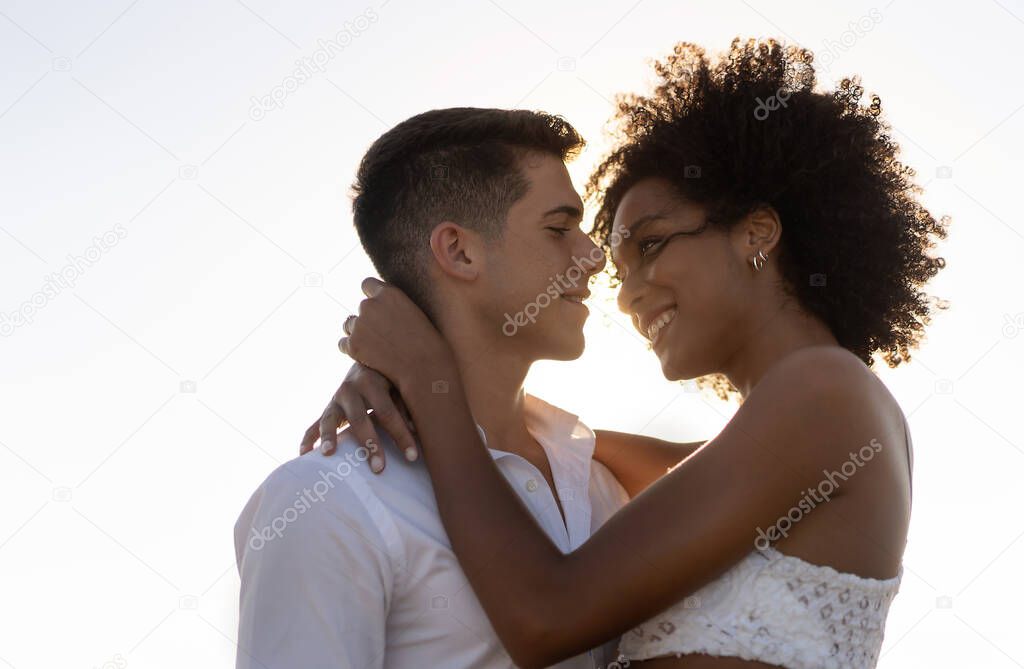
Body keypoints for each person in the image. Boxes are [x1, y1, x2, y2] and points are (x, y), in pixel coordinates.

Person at [318, 39, 948, 668]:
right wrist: (408, 370)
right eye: (620, 268)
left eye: (648, 245)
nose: (627, 296)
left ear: (756, 233)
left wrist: (428, 377)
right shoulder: (776, 436)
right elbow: (556, 445)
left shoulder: (823, 392)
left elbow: (544, 617)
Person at [234, 106, 706, 668]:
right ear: (458, 251)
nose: (593, 256)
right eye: (559, 229)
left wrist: (429, 381)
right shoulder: (327, 498)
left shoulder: (603, 486)